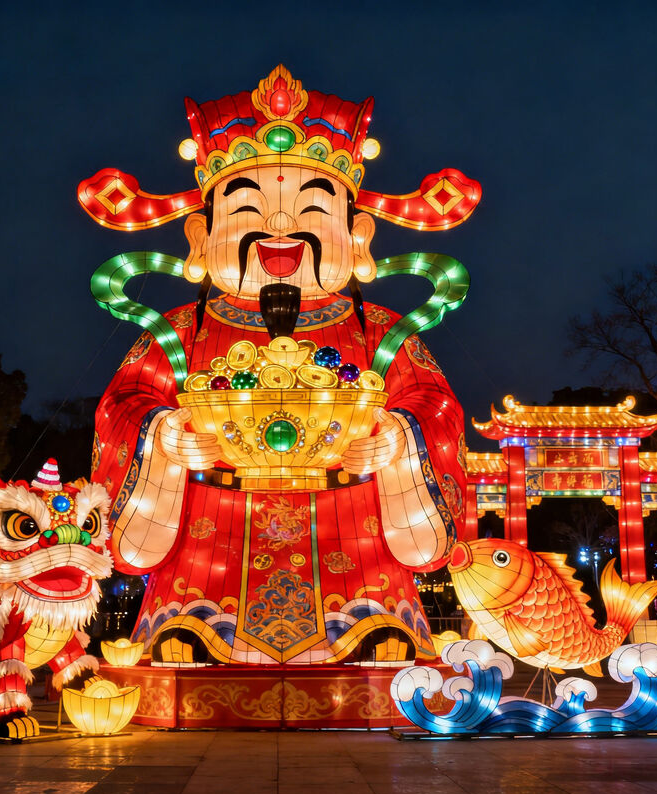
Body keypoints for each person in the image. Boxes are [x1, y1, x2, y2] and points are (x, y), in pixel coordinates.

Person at [82, 66, 480, 665]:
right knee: (189, 640)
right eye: (247, 209)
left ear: (359, 237)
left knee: (377, 641)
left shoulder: (381, 331)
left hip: (356, 550)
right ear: (199, 238)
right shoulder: (178, 332)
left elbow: (435, 408)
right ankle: (193, 628)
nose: (279, 228)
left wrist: (399, 439)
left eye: (312, 209)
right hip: (207, 554)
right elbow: (124, 405)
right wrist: (161, 437)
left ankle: (369, 627)